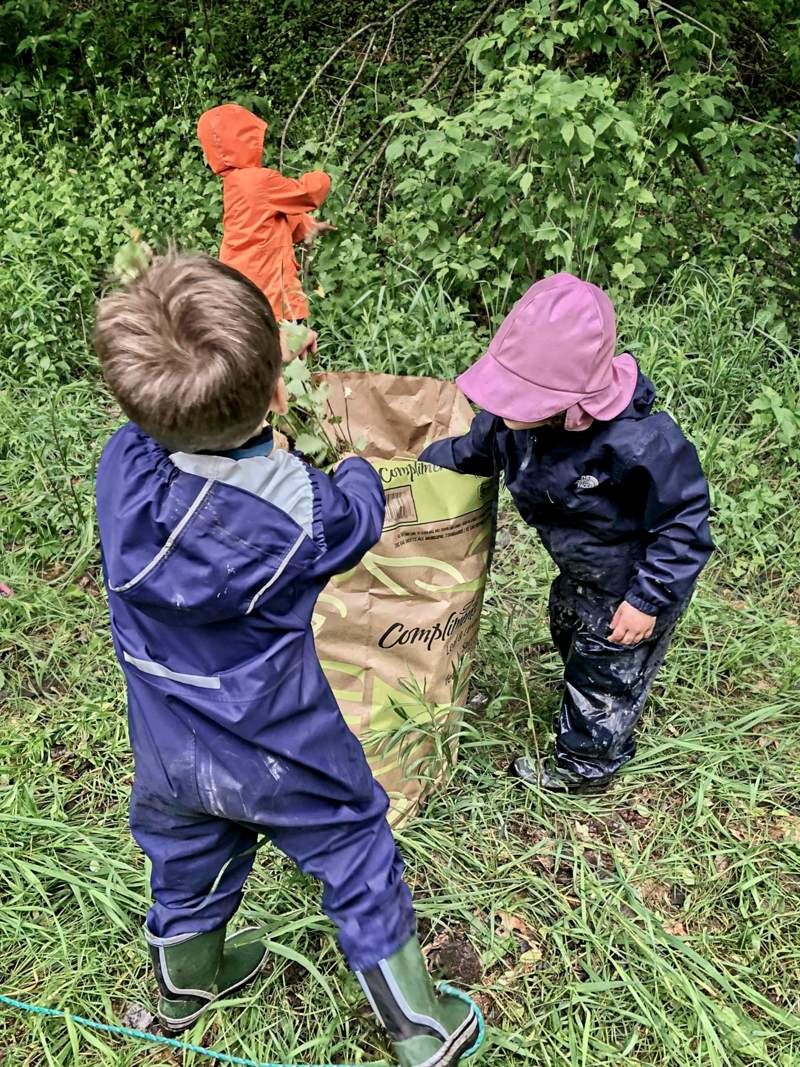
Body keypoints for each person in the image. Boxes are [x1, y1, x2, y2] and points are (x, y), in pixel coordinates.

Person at [94, 252, 483, 1067]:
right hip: (280, 743)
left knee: (184, 853)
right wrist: (353, 467)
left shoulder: (121, 471)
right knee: (355, 847)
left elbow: (165, 441)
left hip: (168, 747)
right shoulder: (302, 509)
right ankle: (419, 1026)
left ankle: (188, 983)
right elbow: (358, 516)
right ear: (276, 388)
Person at [420, 272, 713, 793]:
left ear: (574, 406)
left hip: (633, 579)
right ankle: (602, 684)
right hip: (580, 570)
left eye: (522, 402)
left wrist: (647, 600)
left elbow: (683, 524)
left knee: (603, 670)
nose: (506, 414)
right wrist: (409, 468)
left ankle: (586, 765)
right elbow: (469, 454)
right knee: (569, 630)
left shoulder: (639, 445)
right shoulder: (510, 426)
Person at [197, 103, 335, 322]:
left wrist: (309, 227)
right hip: (268, 291)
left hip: (245, 290)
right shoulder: (257, 180)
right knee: (285, 349)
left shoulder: (235, 183)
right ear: (242, 141)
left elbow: (273, 220)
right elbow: (308, 194)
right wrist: (322, 176)